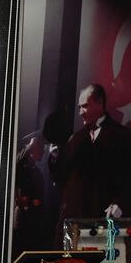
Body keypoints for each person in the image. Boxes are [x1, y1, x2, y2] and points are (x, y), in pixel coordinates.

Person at [53, 84, 131, 224]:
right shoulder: (75, 138)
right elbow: (61, 177)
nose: (80, 112)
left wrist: (120, 202)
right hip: (74, 218)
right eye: (79, 107)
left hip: (104, 218)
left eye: (85, 106)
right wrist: (54, 157)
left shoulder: (122, 136)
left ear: (100, 103)